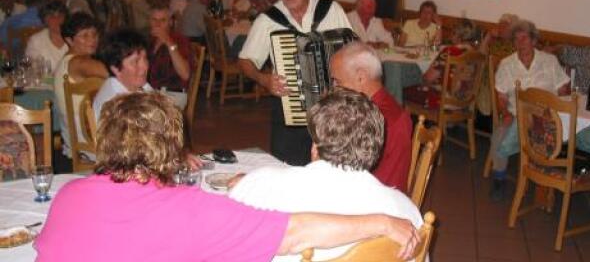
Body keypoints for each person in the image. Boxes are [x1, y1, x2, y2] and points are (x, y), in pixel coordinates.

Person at [34, 91, 419, 262]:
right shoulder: (190, 210)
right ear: (173, 145)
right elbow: (294, 233)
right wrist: (384, 222)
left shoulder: (68, 196)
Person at [230, 88, 422, 262]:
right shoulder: (407, 213)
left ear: (315, 147)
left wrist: (245, 186)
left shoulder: (260, 186)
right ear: (375, 149)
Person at [238, 0, 352, 166]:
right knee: (288, 169)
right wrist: (263, 79)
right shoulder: (269, 20)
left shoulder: (331, 10)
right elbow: (245, 60)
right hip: (288, 108)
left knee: (332, 171)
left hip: (332, 109)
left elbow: (352, 51)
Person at [489, 19, 570, 201]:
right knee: (499, 135)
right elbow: (501, 96)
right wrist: (506, 113)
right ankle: (498, 179)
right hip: (517, 114)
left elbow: (563, 89)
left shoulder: (549, 61)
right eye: (516, 39)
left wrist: (556, 110)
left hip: (547, 116)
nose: (521, 43)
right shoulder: (506, 64)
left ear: (534, 41)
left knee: (555, 133)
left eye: (525, 38)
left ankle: (545, 180)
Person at [329, 42, 412, 191]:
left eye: (337, 81)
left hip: (377, 201)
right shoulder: (383, 105)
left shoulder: (375, 120)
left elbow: (353, 176)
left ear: (361, 77)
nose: (334, 87)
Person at [53, 13, 108, 171]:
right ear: (69, 40)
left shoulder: (66, 61)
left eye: (94, 34)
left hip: (75, 140)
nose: (92, 40)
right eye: (84, 36)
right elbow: (118, 73)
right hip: (90, 141)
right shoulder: (79, 62)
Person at [93, 28, 152, 120]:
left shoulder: (137, 86)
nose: (144, 66)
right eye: (135, 62)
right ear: (116, 69)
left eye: (145, 58)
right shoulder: (116, 104)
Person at [147, 5, 192, 93]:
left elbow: (185, 74)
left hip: (171, 93)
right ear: (149, 21)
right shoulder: (149, 41)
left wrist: (169, 42)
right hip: (151, 91)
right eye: (154, 20)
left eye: (163, 20)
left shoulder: (179, 40)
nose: (158, 24)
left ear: (170, 22)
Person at [25, 1, 68, 70]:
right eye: (52, 16)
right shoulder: (35, 41)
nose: (57, 20)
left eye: (60, 16)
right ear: (45, 20)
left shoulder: (74, 38)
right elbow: (32, 69)